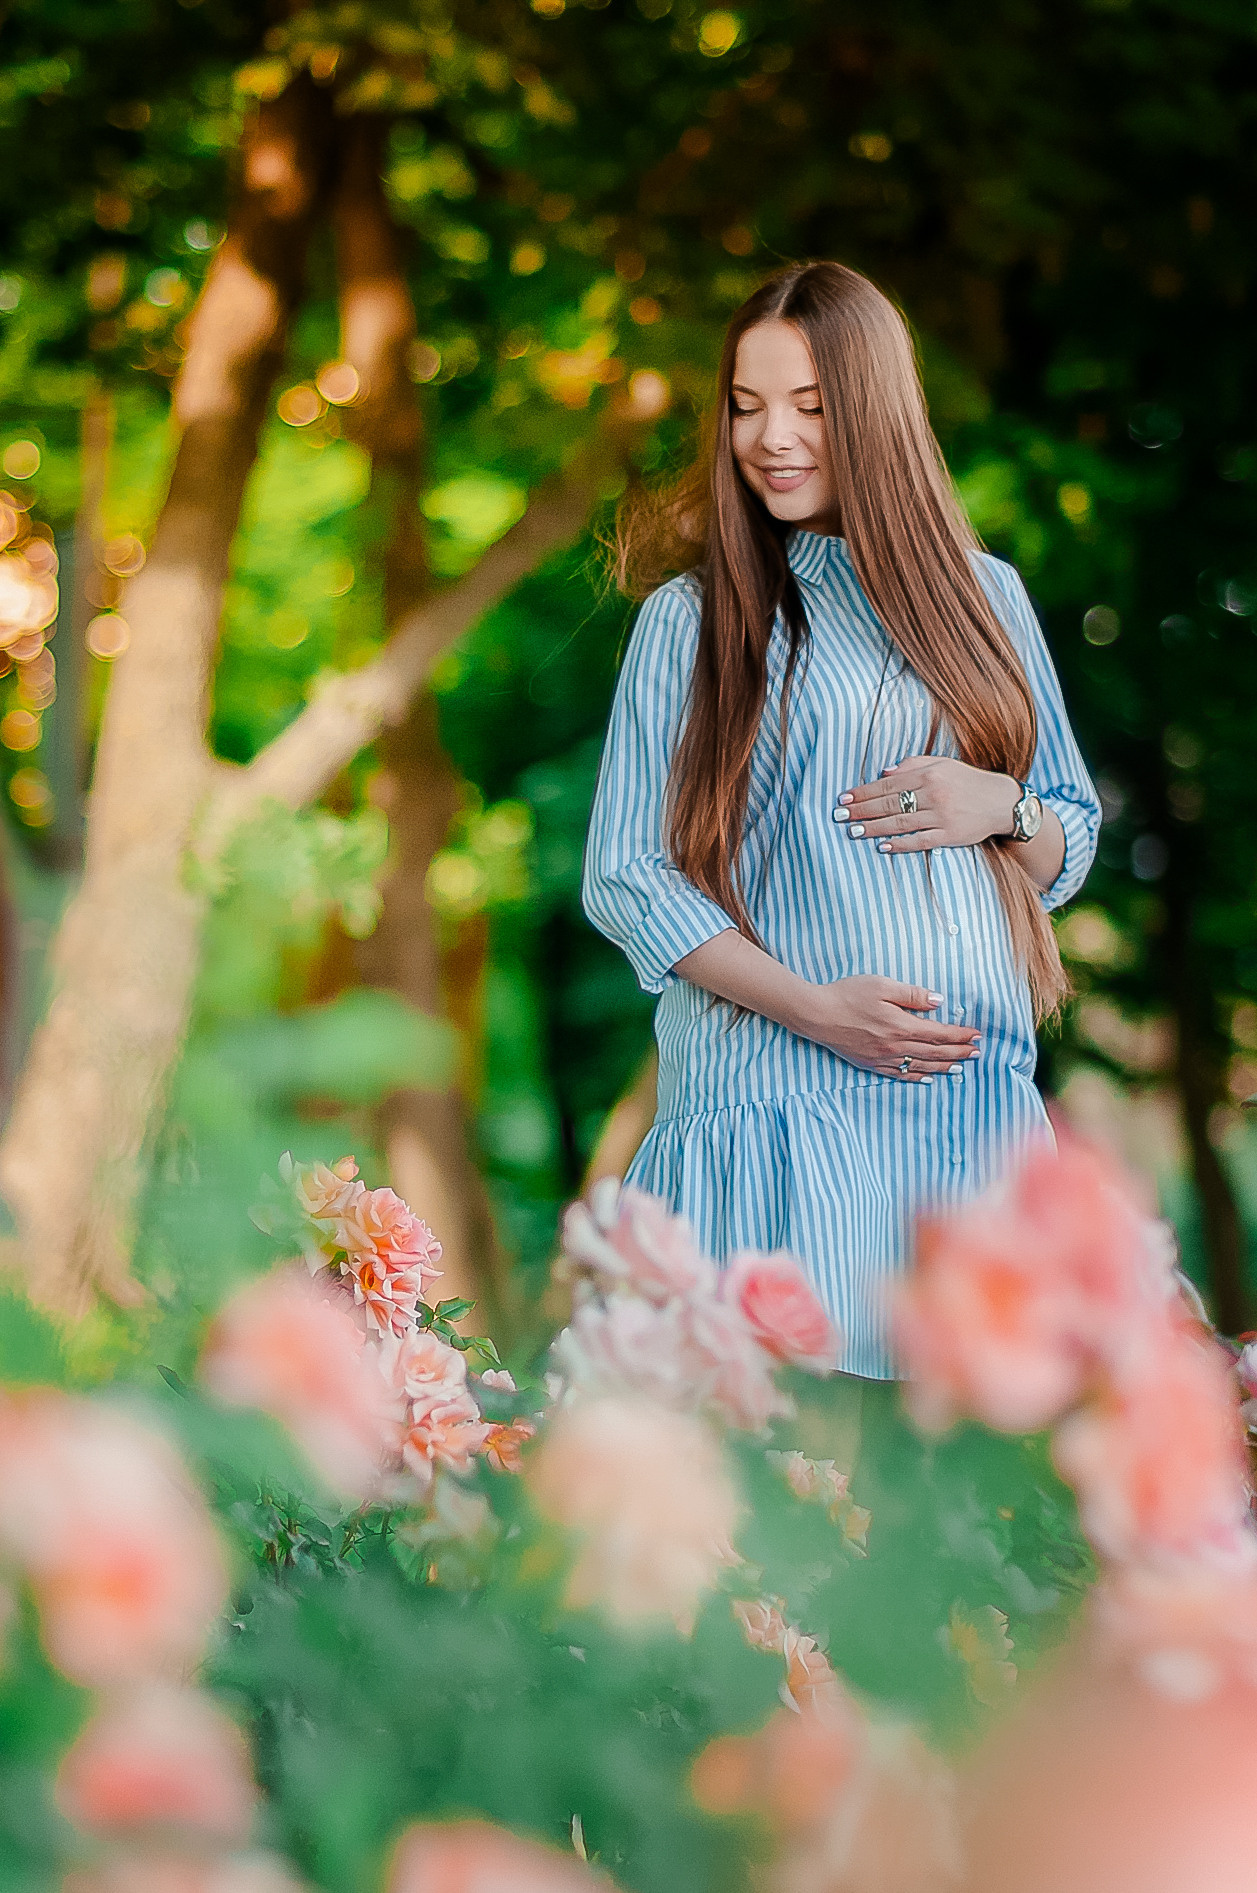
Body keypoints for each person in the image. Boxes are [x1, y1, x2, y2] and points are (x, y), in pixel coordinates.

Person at [581, 261, 1101, 1382]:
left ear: (873, 410)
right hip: (776, 1109)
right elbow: (628, 875)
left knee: (959, 1478)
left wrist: (1001, 805)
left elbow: (1068, 839)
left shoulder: (987, 598)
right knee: (794, 1466)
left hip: (969, 1121)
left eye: (809, 406)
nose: (771, 437)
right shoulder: (691, 620)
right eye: (746, 405)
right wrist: (816, 1011)